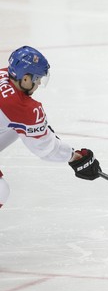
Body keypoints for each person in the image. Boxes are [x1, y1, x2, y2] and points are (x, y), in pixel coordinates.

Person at [0, 46, 101, 208]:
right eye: (37, 79)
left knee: (16, 128)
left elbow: (27, 127)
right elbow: (46, 149)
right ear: (25, 79)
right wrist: (75, 158)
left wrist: (41, 129)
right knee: (1, 191)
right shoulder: (21, 107)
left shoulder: (5, 74)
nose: (39, 83)